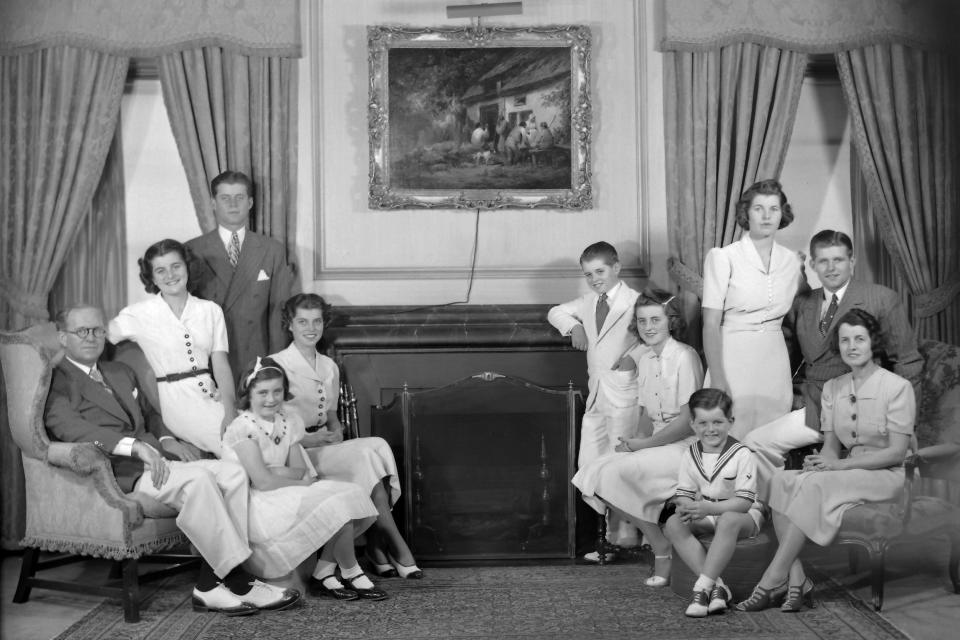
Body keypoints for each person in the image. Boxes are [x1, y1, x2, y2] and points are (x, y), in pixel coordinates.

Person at [45, 304, 300, 616]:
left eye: (98, 330)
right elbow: (70, 428)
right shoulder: (56, 380)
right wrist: (135, 447)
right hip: (122, 470)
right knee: (202, 480)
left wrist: (168, 440)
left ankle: (210, 583)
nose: (92, 337)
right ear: (62, 337)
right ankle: (237, 581)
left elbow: (151, 416)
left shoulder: (119, 372)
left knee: (233, 472)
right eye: (82, 331)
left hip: (160, 460)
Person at [737, 309, 915, 613]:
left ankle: (771, 579)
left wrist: (837, 467)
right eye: (845, 340)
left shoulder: (897, 387)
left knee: (814, 487)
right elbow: (831, 448)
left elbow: (898, 453)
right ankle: (798, 581)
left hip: (885, 475)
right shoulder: (834, 388)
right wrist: (820, 463)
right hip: (845, 473)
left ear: (874, 342)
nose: (852, 346)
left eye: (860, 339)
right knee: (780, 480)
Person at [743, 230, 922, 499]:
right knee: (752, 439)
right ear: (812, 265)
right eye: (823, 261)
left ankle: (779, 505)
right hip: (813, 401)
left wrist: (908, 424)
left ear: (852, 261)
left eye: (838, 260)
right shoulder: (803, 303)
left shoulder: (882, 298)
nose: (831, 268)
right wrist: (789, 392)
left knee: (757, 442)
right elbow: (787, 357)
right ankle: (771, 506)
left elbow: (908, 362)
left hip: (862, 404)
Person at [270, 293, 422, 579]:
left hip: (325, 446)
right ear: (289, 325)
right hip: (297, 453)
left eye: (316, 321)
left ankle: (379, 546)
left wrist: (337, 428)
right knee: (366, 455)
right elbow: (269, 427)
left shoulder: (329, 366)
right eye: (302, 321)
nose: (310, 328)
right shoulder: (274, 364)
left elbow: (329, 412)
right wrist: (307, 440)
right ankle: (391, 544)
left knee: (375, 447)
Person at [222, 358, 388, 601]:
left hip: (281, 489)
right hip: (253, 503)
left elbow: (299, 469)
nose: (271, 399)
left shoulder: (286, 421)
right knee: (331, 502)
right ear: (248, 393)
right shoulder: (242, 427)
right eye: (263, 392)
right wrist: (287, 477)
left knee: (347, 494)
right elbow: (262, 482)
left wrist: (279, 472)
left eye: (277, 391)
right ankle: (352, 571)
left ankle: (325, 570)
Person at [572, 289, 704, 573]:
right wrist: (633, 442)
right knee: (590, 475)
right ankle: (661, 544)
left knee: (614, 473)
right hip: (656, 443)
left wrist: (644, 446)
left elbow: (687, 422)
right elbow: (645, 415)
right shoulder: (645, 360)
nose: (648, 327)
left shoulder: (685, 356)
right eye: (642, 321)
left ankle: (660, 549)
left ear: (671, 321)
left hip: (685, 446)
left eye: (655, 320)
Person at [549, 242, 641, 552]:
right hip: (597, 395)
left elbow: (655, 335)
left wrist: (633, 358)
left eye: (599, 271)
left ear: (616, 268)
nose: (594, 279)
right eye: (588, 274)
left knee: (620, 462)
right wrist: (574, 326)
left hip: (625, 393)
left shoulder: (636, 301)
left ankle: (625, 533)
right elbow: (555, 311)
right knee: (590, 460)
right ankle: (607, 534)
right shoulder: (588, 302)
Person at [108, 239, 234, 456]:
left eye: (176, 266)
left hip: (214, 397)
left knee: (259, 436)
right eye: (160, 270)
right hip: (178, 401)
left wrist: (230, 412)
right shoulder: (138, 314)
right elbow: (96, 335)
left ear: (187, 267)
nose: (170, 275)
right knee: (240, 449)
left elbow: (221, 365)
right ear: (152, 278)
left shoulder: (211, 311)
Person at [702, 179, 804, 439]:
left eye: (774, 208)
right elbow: (711, 324)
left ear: (783, 213)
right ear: (746, 213)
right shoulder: (723, 257)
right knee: (730, 434)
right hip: (733, 357)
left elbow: (805, 309)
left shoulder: (791, 261)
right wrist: (717, 378)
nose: (767, 215)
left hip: (774, 359)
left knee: (771, 437)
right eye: (759, 208)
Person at [185, 171, 296, 381]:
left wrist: (273, 363)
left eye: (240, 197)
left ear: (251, 202)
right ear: (213, 203)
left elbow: (278, 313)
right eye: (225, 198)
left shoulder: (272, 250)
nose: (233, 204)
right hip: (209, 359)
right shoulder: (192, 250)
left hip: (256, 358)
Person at [663, 388, 764, 617]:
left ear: (730, 422)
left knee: (728, 519)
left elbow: (744, 503)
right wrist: (685, 506)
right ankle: (718, 587)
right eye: (703, 423)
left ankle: (701, 589)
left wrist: (709, 508)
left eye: (718, 422)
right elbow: (685, 492)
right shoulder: (691, 453)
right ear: (692, 424)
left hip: (742, 516)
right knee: (672, 523)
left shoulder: (742, 453)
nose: (710, 430)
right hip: (708, 511)